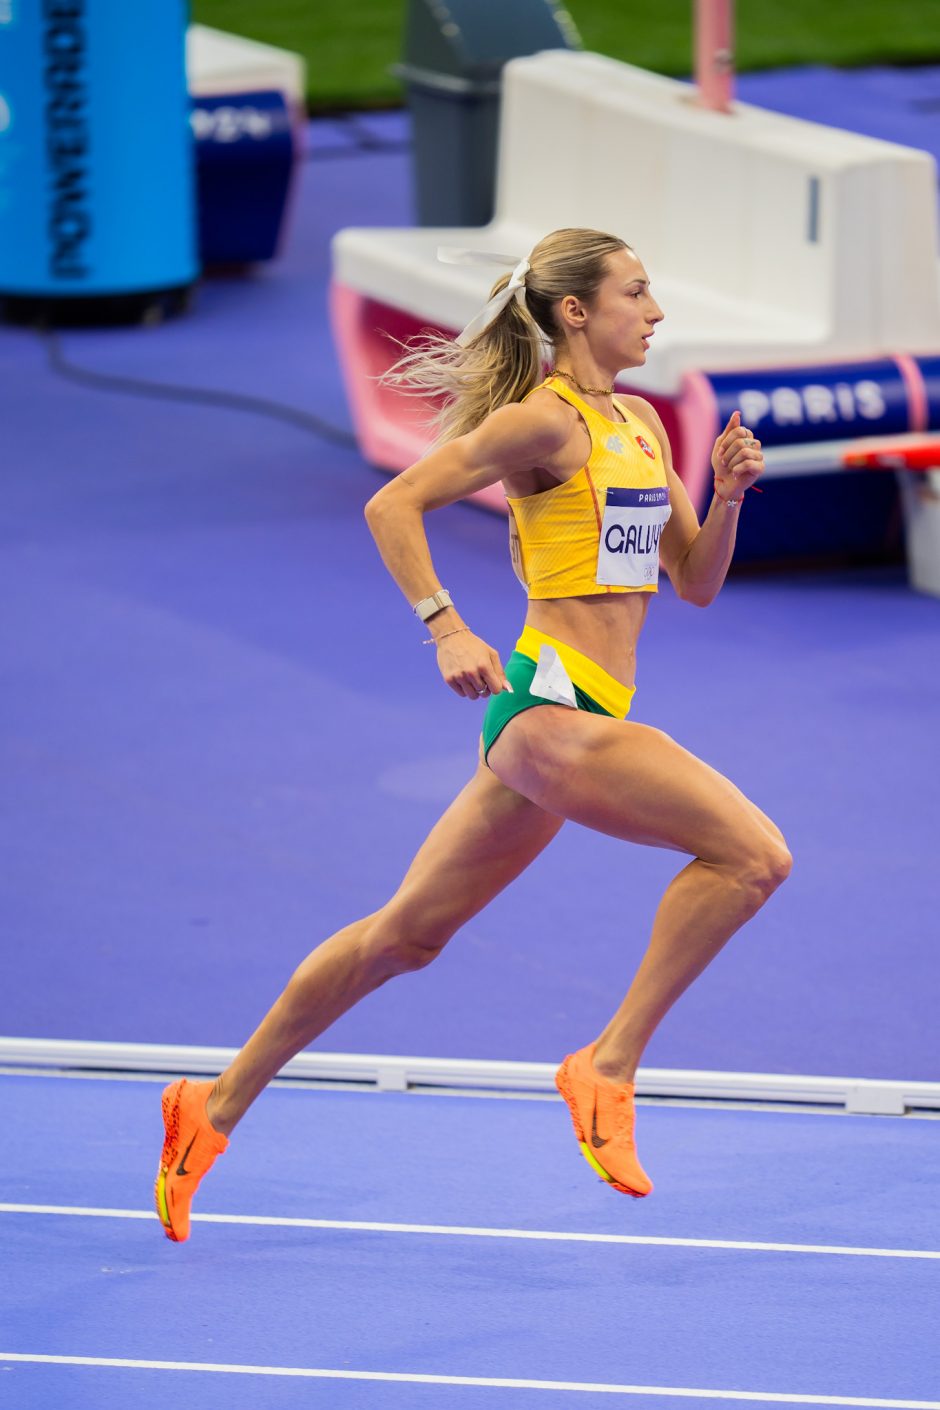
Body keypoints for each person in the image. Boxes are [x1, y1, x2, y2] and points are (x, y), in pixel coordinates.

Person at [155, 227, 791, 1242]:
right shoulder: (539, 424)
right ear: (575, 310)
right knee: (752, 857)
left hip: (582, 719)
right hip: (546, 710)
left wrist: (724, 497)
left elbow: (696, 584)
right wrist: (444, 623)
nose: (656, 311)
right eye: (637, 291)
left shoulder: (640, 426)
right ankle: (608, 1064)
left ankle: (211, 1106)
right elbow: (393, 502)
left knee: (403, 938)